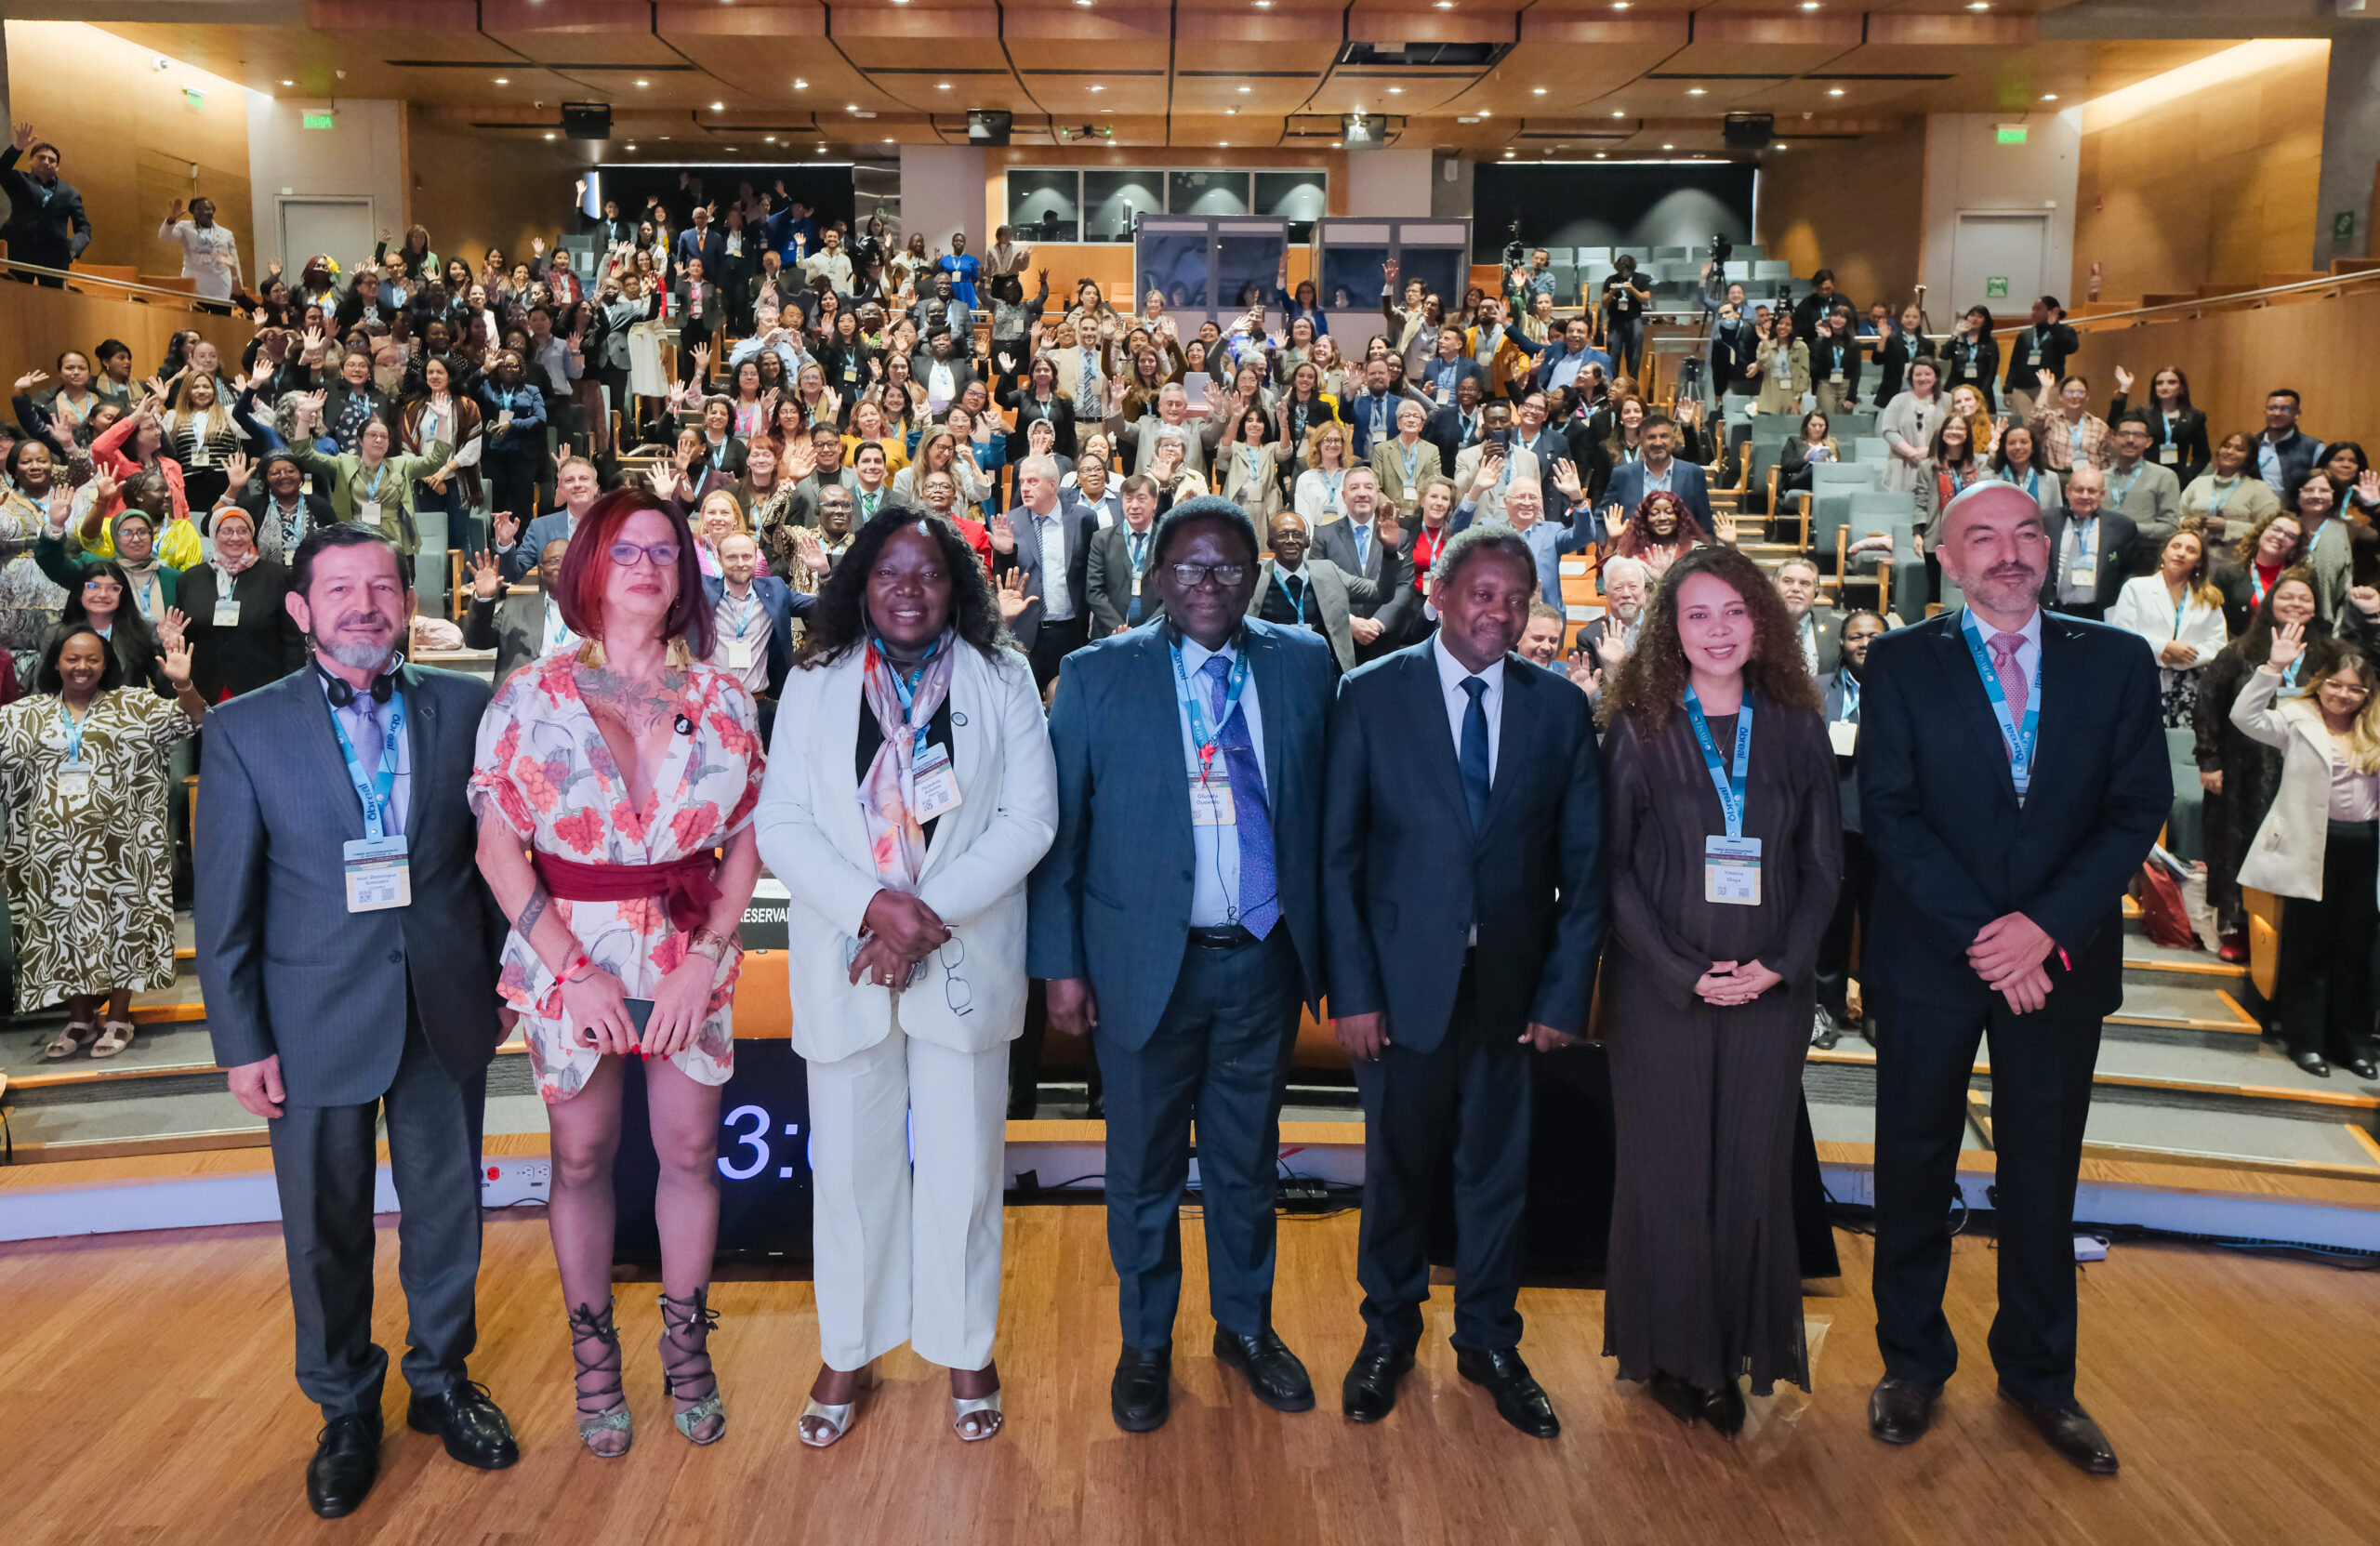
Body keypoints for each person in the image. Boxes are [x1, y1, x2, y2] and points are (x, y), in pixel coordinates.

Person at [196, 526, 520, 1515]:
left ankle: (440, 1380)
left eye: (382, 583)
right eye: (340, 588)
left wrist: (509, 973)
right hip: (310, 1015)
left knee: (446, 1211)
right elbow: (224, 905)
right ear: (299, 609)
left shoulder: (468, 707)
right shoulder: (245, 729)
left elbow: (502, 858)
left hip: (441, 1003)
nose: (365, 603)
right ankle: (343, 1405)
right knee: (324, 1228)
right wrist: (240, 1038)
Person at [1858, 480, 2168, 1476]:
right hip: (1931, 963)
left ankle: (2040, 1375)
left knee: (2042, 1174)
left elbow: (2133, 812)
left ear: (2050, 548)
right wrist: (1987, 938)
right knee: (1913, 1162)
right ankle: (1912, 1361)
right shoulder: (1902, 662)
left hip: (2060, 962)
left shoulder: (2115, 661)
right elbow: (1891, 813)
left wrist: (2037, 931)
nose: (2007, 552)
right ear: (1944, 558)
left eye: (2025, 533)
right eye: (1980, 537)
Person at [1028, 496, 1336, 1434]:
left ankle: (1244, 1326)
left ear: (1256, 576)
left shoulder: (1303, 663)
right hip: (1138, 966)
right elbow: (1061, 840)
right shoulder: (1093, 676)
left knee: (1246, 1165)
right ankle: (1146, 1343)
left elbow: (1327, 816)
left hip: (1261, 960)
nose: (1210, 586)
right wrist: (1062, 968)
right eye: (1190, 568)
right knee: (1143, 1170)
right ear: (1158, 574)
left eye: (1230, 569)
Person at [469, 488, 765, 1458]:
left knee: (687, 1151)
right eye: (625, 549)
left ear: (685, 577)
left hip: (690, 953)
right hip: (572, 956)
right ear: (588, 567)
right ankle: (595, 1362)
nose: (646, 565)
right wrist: (571, 971)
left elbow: (745, 848)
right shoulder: (528, 696)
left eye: (665, 552)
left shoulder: (726, 701)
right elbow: (497, 848)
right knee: (582, 1156)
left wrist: (706, 961)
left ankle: (687, 1346)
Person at [753, 506, 1056, 1447]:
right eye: (888, 572)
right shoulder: (814, 679)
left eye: (927, 573)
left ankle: (965, 1346)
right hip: (848, 956)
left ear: (955, 584)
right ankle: (850, 1345)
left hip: (957, 954)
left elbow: (1028, 820)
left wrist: (915, 920)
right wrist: (870, 909)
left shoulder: (1001, 676)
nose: (908, 589)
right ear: (859, 583)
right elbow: (782, 823)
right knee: (846, 1172)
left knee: (964, 1171)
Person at [1323, 522, 1604, 1439]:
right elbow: (1338, 860)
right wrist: (1353, 992)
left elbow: (1585, 869)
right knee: (1396, 1172)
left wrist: (1565, 996)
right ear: (1439, 595)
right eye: (1483, 593)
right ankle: (1387, 1333)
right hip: (1398, 993)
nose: (1502, 612)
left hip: (1511, 992)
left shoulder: (1557, 710)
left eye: (1517, 599)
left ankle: (1488, 1338)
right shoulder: (1368, 695)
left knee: (1497, 1176)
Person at [1597, 543, 1839, 1435]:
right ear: (1671, 628)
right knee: (1668, 1177)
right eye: (1697, 614)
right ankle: (1674, 1356)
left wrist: (1780, 964)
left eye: (1734, 610)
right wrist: (1682, 970)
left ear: (1761, 619)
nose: (1718, 630)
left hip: (1772, 995)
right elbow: (1612, 872)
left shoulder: (1795, 725)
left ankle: (1735, 1350)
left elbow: (1823, 869)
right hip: (1661, 994)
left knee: (1748, 1176)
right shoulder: (1639, 726)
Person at [3, 621, 204, 1060]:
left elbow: (194, 719)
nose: (82, 667)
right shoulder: (21, 716)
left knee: (122, 926)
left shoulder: (132, 705)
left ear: (105, 664)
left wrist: (183, 683)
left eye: (92, 659)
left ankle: (118, 1016)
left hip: (122, 850)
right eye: (72, 658)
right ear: (55, 662)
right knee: (63, 931)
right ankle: (79, 1018)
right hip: (50, 856)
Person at [2230, 634, 2380, 1079]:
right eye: (2336, 684)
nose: (2344, 695)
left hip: (2366, 847)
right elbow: (2244, 716)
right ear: (2321, 683)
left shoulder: (2374, 727)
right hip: (2311, 847)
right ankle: (2306, 1040)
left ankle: (2351, 1043)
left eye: (2356, 689)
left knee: (2356, 950)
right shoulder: (2296, 718)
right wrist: (2273, 668)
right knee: (2308, 947)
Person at [2194, 573, 2340, 963]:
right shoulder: (2240, 650)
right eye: (2287, 596)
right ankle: (2239, 929)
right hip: (2244, 769)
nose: (2295, 604)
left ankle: (2292, 934)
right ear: (2271, 601)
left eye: (2304, 598)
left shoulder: (2331, 654)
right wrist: (2209, 760)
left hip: (2303, 768)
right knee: (2242, 846)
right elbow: (2207, 703)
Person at [1816, 609, 1886, 1043]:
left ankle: (1878, 1012)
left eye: (1873, 636)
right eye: (1856, 636)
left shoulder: (1904, 689)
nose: (1864, 643)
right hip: (1833, 827)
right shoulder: (1821, 689)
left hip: (1886, 830)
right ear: (1842, 643)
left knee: (1881, 926)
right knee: (1831, 926)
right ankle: (1826, 1012)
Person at [184, 493, 306, 700]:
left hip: (263, 687)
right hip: (205, 688)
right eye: (227, 531)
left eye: (243, 531)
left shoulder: (278, 577)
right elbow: (186, 637)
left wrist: (291, 687)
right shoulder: (189, 579)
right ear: (214, 534)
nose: (235, 537)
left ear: (252, 535)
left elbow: (293, 641)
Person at [2109, 525, 2228, 726]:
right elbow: (2122, 635)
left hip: (2191, 683)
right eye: (2176, 546)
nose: (2181, 553)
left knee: (2184, 746)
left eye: (2191, 550)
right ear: (2164, 553)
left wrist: (2185, 656)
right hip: (2144, 678)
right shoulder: (2137, 587)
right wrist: (2163, 648)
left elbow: (2218, 644)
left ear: (2198, 562)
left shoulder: (2209, 597)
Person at [1256, 510, 1380, 675]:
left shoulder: (1328, 571)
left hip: (1320, 671)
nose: (1291, 540)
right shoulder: (1254, 577)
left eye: (1297, 534)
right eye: (1283, 535)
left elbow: (1379, 592)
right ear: (1270, 541)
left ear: (1307, 541)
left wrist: (1391, 553)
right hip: (1272, 671)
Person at [463, 538, 571, 687]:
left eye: (569, 560)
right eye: (553, 561)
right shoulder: (515, 608)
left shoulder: (599, 614)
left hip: (578, 701)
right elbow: (476, 641)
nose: (561, 566)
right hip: (520, 701)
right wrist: (484, 598)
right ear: (541, 570)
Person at [0, 124, 92, 284]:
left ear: (57, 167)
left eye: (52, 160)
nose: (47, 162)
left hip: (55, 259)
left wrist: (72, 250)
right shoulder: (18, 180)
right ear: (31, 160)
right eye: (41, 157)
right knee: (13, 302)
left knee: (53, 305)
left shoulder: (70, 193)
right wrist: (17, 148)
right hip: (18, 253)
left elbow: (84, 229)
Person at [2042, 463, 2134, 622]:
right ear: (2067, 491)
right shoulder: (2045, 521)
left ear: (2102, 494)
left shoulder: (2122, 526)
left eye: (2092, 491)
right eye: (2079, 490)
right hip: (2052, 612)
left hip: (2098, 615)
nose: (2085, 496)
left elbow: (2129, 574)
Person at [2183, 434, 2281, 555]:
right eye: (2226, 446)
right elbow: (2176, 516)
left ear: (2249, 457)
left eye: (2239, 449)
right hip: (2196, 557)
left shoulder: (2259, 489)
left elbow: (2271, 529)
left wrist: (2228, 526)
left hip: (2237, 560)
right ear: (2219, 451)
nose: (2230, 452)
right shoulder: (2198, 483)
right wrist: (2186, 521)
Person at [157, 195, 243, 305]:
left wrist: (239, 290)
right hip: (193, 283)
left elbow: (235, 263)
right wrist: (171, 219)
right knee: (195, 318)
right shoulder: (185, 227)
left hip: (220, 285)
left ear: (214, 213)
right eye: (200, 209)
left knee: (221, 318)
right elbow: (165, 237)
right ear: (193, 212)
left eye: (209, 209)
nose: (205, 212)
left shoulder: (227, 234)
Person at [1776, 551, 1845, 675]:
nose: (1796, 589)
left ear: (1816, 592)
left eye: (1805, 583)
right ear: (1774, 588)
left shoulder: (1836, 629)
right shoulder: (1756, 628)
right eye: (1788, 581)